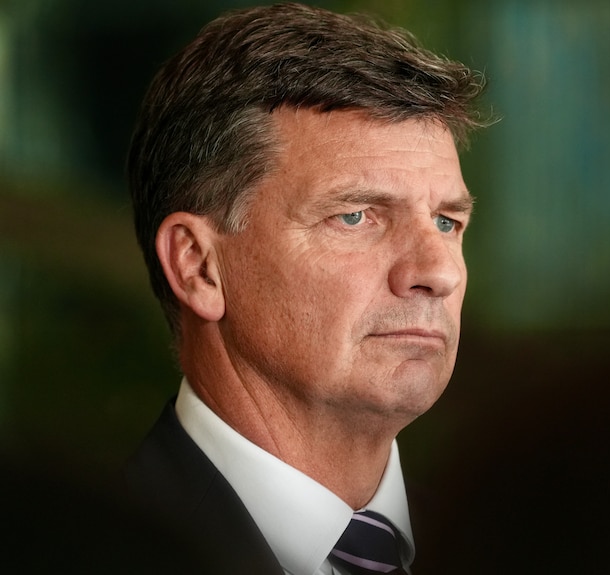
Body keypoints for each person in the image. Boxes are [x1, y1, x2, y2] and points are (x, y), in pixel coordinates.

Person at [120, 3, 488, 574]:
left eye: (447, 221)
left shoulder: (514, 538)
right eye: (357, 216)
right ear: (198, 267)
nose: (438, 272)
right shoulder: (73, 551)